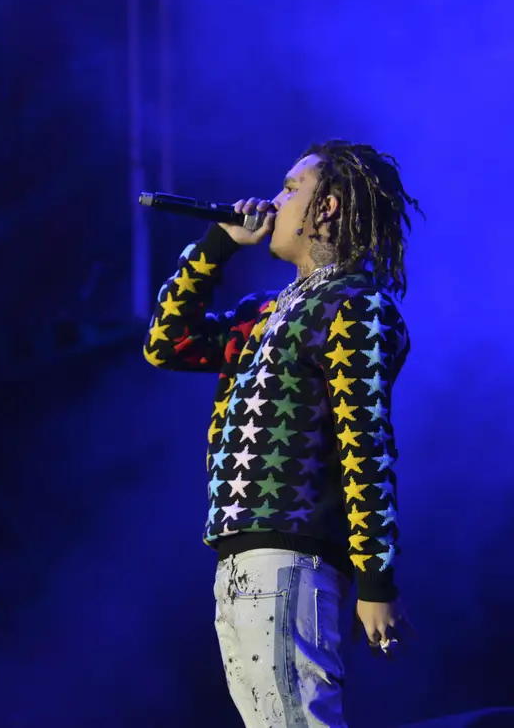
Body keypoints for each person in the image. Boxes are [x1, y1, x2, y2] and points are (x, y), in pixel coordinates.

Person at [144, 139, 422, 727]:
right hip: (242, 555)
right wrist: (217, 244)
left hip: (291, 554)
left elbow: (365, 443)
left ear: (329, 207)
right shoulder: (262, 313)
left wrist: (376, 581)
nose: (273, 201)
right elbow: (166, 343)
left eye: (291, 188)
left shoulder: (356, 306)